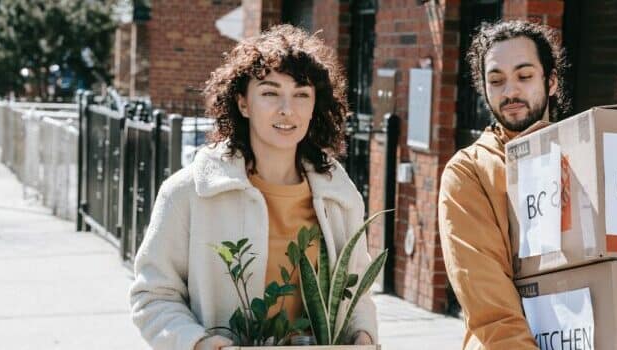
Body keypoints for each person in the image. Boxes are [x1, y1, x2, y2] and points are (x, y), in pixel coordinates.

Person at [129, 24, 377, 350]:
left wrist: (364, 336)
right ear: (243, 103)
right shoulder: (189, 192)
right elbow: (153, 295)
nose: (287, 109)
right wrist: (199, 343)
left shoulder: (340, 197)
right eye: (270, 93)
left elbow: (357, 292)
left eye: (301, 94)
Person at [437, 20, 569, 350]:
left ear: (551, 81)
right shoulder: (468, 172)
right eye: (496, 81)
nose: (509, 92)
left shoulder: (582, 156)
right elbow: (490, 308)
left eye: (524, 76)